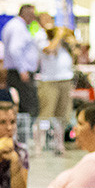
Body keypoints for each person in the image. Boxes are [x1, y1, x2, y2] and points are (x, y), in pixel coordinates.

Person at [36, 25, 76, 155]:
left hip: (65, 81)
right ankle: (39, 144)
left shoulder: (65, 48)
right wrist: (59, 35)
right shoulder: (44, 43)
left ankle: (59, 144)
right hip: (49, 82)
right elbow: (50, 50)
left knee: (62, 115)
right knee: (45, 114)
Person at [0, 4, 40, 116]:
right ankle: (25, 133)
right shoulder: (18, 27)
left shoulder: (13, 25)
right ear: (28, 14)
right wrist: (22, 70)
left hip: (16, 72)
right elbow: (15, 49)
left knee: (22, 104)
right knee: (28, 107)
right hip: (20, 74)